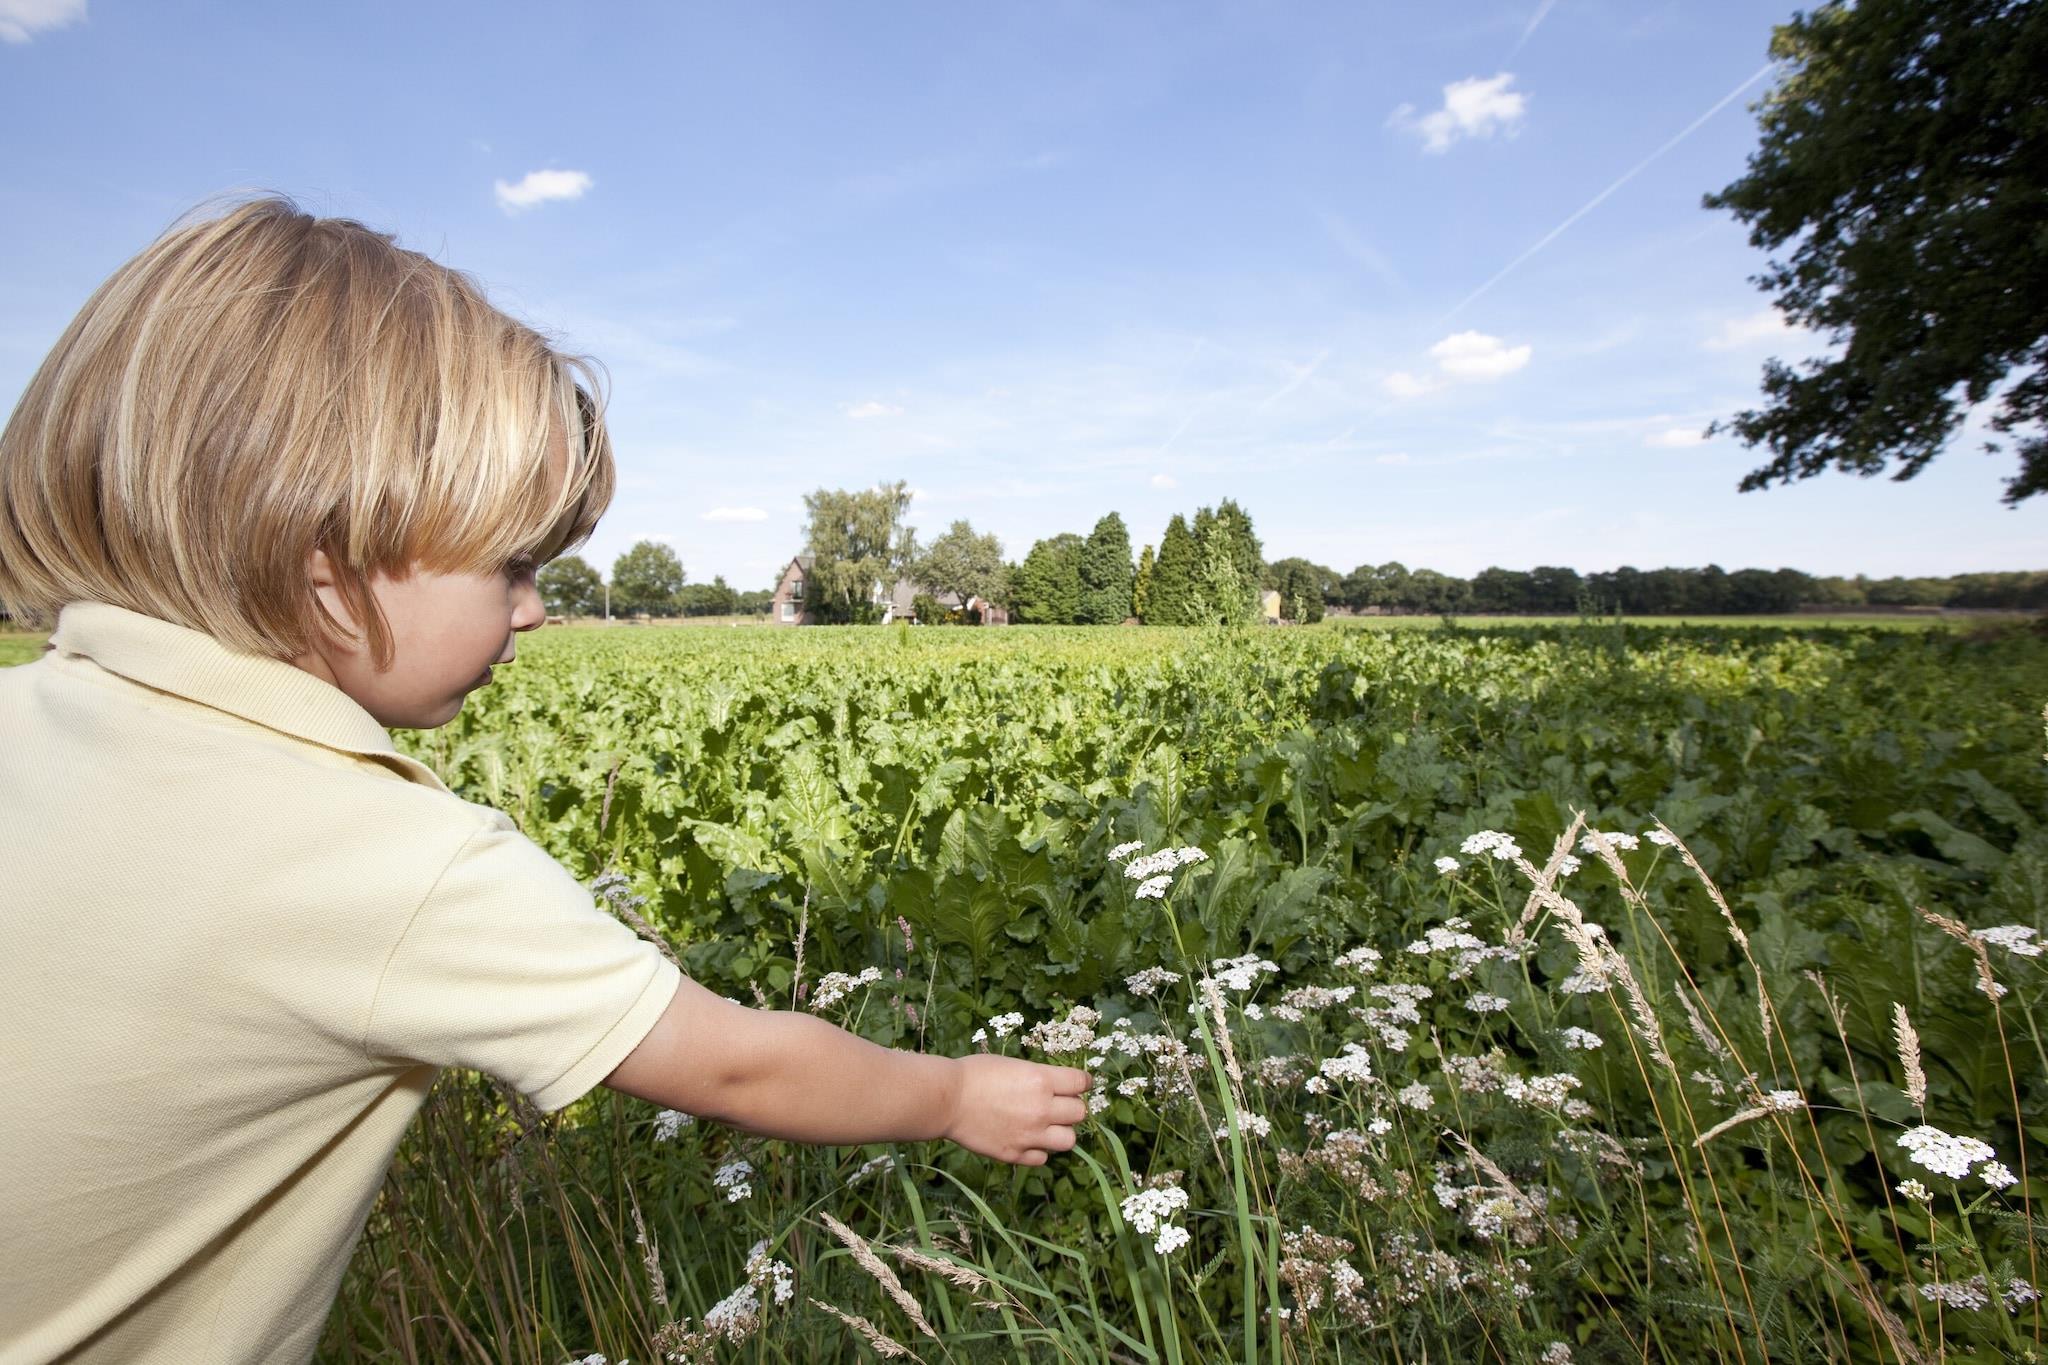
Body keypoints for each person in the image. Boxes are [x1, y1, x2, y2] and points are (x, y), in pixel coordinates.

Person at [0, 197, 1088, 1364]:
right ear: (328, 564)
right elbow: (735, 1061)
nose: (532, 611)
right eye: (512, 566)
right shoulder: (382, 858)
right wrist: (953, 1095)